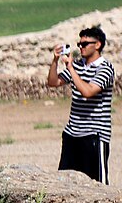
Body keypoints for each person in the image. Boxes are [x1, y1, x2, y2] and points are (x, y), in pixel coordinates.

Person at [47, 26, 114, 184]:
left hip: (95, 135)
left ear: (97, 45)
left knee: (98, 184)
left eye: (84, 44)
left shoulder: (105, 68)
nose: (80, 47)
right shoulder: (77, 66)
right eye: (79, 44)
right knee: (65, 183)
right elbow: (53, 82)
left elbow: (88, 91)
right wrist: (55, 61)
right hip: (72, 133)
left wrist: (70, 68)